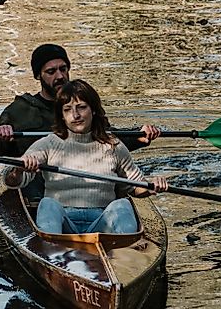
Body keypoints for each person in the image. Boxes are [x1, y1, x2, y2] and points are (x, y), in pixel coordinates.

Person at [19, 80, 170, 234]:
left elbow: (135, 187)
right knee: (47, 204)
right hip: (62, 225)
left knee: (123, 205)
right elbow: (14, 180)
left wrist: (153, 187)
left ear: (94, 110)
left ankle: (125, 252)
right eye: (67, 109)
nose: (75, 115)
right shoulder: (49, 143)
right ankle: (50, 250)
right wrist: (19, 169)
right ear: (62, 116)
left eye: (82, 107)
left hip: (102, 225)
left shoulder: (114, 146)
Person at [0, 43, 157, 155]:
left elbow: (105, 137)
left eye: (63, 69)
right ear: (38, 75)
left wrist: (138, 135)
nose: (60, 76)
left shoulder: (84, 102)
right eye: (51, 72)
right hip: (37, 180)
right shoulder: (21, 109)